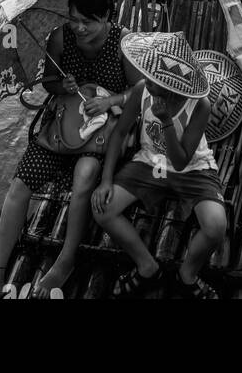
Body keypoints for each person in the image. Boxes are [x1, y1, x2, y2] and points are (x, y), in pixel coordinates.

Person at [0, 0, 139, 299]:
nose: (78, 28)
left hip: (103, 130)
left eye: (87, 22)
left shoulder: (124, 43)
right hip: (61, 126)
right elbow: (48, 82)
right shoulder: (59, 38)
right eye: (74, 19)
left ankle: (66, 259)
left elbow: (139, 89)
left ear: (106, 17)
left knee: (85, 174)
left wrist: (108, 101)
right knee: (21, 183)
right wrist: (59, 86)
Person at [91, 31, 226, 299]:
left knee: (216, 227)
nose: (148, 83)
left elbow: (180, 159)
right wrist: (106, 181)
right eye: (149, 78)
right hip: (149, 162)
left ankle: (187, 275)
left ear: (174, 86)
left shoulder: (200, 105)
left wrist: (165, 120)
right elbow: (119, 133)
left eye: (155, 81)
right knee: (103, 211)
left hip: (192, 168)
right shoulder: (142, 89)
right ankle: (146, 266)